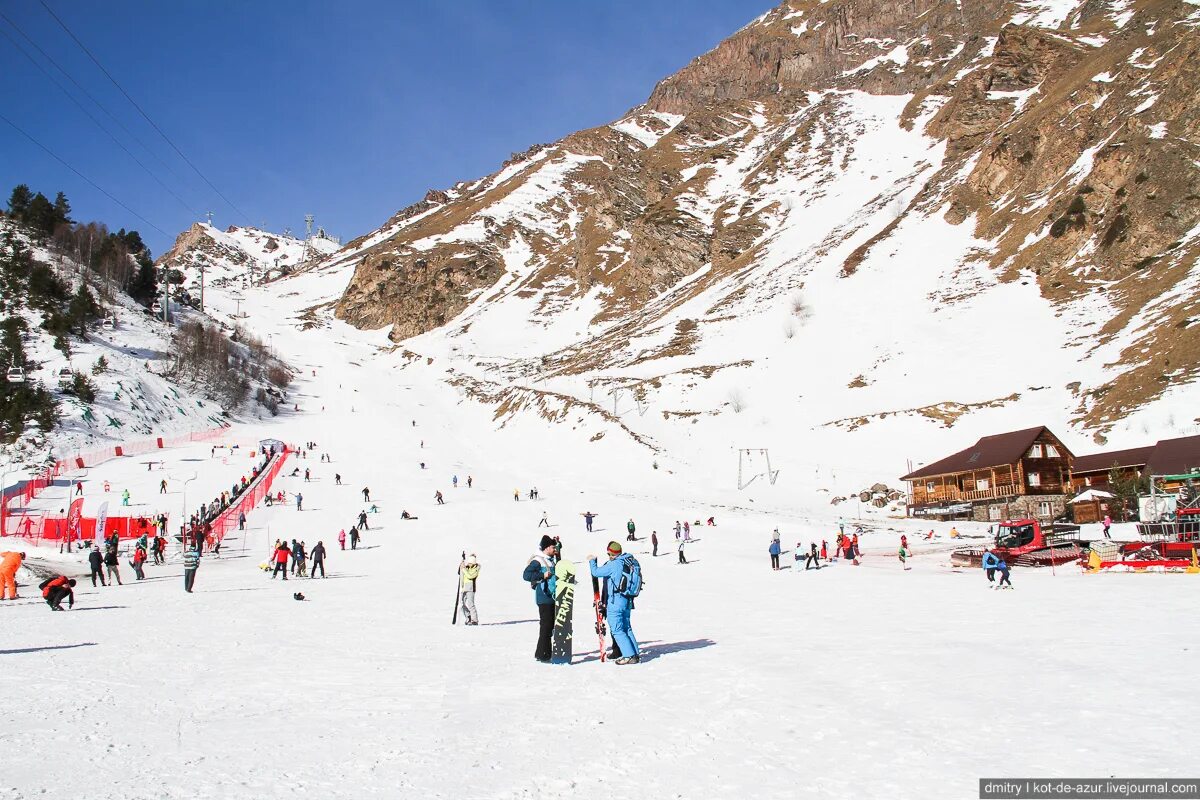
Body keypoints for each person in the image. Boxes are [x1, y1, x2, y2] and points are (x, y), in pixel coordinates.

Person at [588, 542, 640, 665]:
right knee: (627, 628)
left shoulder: (614, 564)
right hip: (628, 599)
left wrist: (592, 561)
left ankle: (628, 655)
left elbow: (596, 572)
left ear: (611, 553)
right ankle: (635, 653)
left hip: (615, 601)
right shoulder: (628, 560)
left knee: (617, 630)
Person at [522, 535, 558, 662]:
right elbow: (526, 575)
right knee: (546, 625)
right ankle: (543, 654)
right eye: (553, 547)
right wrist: (542, 575)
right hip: (544, 598)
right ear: (547, 547)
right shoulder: (538, 560)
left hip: (551, 596)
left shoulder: (550, 559)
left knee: (549, 625)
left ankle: (542, 652)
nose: (555, 549)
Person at [460, 554, 480, 625]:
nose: (469, 564)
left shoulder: (476, 569)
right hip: (464, 588)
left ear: (474, 563)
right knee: (461, 604)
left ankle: (474, 620)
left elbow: (470, 576)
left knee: (471, 604)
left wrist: (463, 569)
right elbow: (461, 573)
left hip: (471, 589)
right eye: (469, 562)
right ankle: (468, 616)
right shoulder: (467, 568)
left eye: (471, 563)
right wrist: (461, 567)